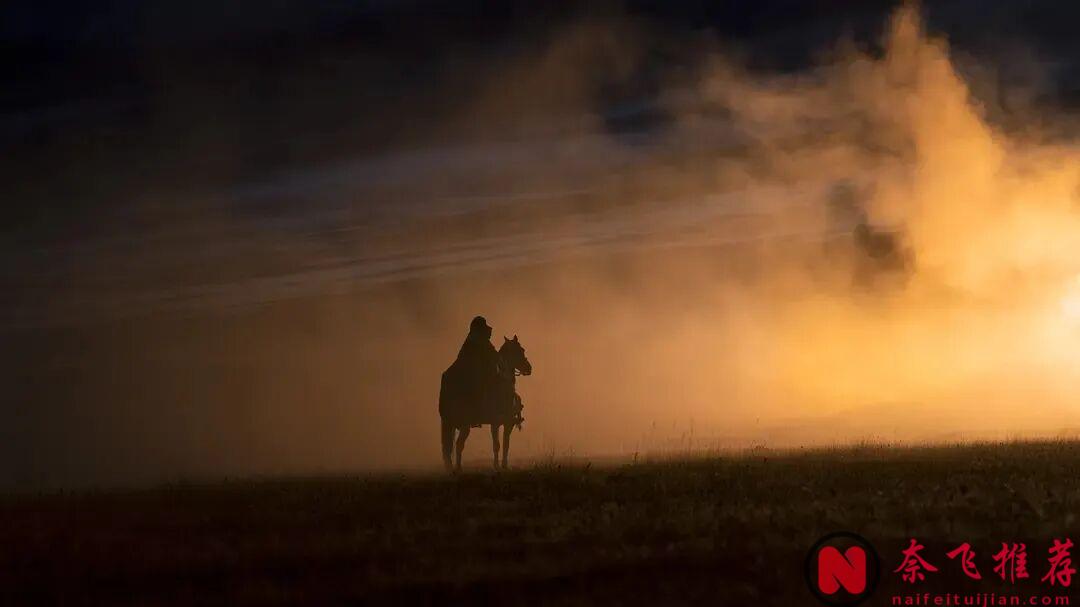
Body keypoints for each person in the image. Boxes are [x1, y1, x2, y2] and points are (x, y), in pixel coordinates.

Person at [451, 316, 501, 423]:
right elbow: (490, 354)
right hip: (473, 372)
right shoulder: (477, 339)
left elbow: (492, 353)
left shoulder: (476, 339)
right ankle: (481, 410)